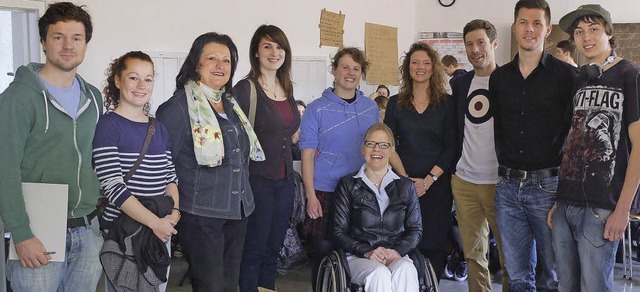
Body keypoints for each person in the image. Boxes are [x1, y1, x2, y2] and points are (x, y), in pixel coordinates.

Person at [0, 2, 104, 291]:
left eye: (77, 38)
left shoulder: (93, 97)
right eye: (58, 37)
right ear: (44, 42)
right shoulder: (18, 98)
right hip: (38, 232)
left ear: (86, 44)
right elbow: (4, 170)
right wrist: (21, 234)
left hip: (88, 228)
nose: (68, 46)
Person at [156, 32, 265, 292]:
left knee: (230, 284)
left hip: (238, 211)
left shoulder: (229, 103)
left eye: (226, 60)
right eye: (212, 58)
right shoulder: (178, 108)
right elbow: (163, 164)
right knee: (210, 286)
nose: (220, 66)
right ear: (196, 64)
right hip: (201, 215)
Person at [548, 5, 640, 291]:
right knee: (566, 287)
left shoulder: (630, 75)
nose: (585, 37)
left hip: (603, 207)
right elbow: (571, 142)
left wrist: (623, 209)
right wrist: (557, 200)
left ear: (608, 33)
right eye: (578, 32)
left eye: (593, 29)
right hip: (566, 204)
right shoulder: (580, 79)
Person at [488, 0, 576, 290]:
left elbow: (573, 135)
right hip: (507, 188)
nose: (530, 29)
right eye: (524, 22)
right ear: (514, 28)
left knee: (551, 277)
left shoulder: (566, 77)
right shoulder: (499, 78)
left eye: (537, 23)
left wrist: (564, 190)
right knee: (514, 275)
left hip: (548, 187)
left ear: (547, 29)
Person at [93, 51, 180, 292]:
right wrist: (155, 223)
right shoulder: (108, 125)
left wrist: (173, 213)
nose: (142, 86)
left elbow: (170, 177)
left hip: (159, 231)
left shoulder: (159, 128)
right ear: (118, 81)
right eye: (133, 78)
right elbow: (113, 186)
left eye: (148, 79)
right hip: (124, 233)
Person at [299, 47, 379, 287]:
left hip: (359, 192)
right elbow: (307, 155)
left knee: (356, 256)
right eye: (345, 66)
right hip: (325, 191)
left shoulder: (370, 108)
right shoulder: (316, 109)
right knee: (324, 254)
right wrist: (310, 196)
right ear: (334, 70)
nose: (350, 72)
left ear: (361, 73)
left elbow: (377, 150)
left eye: (356, 68)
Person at [234, 24, 300, 292]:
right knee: (254, 247)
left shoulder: (286, 89)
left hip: (285, 182)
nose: (275, 52)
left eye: (279, 46)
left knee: (274, 246)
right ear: (256, 52)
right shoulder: (245, 89)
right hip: (257, 180)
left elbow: (288, 131)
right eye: (267, 46)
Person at [384, 41, 455, 280]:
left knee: (433, 243)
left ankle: (431, 283)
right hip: (403, 184)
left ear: (434, 68)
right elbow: (389, 144)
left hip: (437, 185)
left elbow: (451, 146)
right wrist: (405, 179)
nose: (420, 67)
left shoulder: (447, 103)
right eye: (415, 62)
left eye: (426, 62)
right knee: (404, 242)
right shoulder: (395, 103)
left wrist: (428, 180)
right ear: (408, 68)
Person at [450, 19, 508, 291]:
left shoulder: (509, 81)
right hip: (464, 182)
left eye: (481, 42)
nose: (475, 49)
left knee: (510, 256)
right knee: (474, 254)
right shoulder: (461, 84)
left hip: (501, 183)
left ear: (494, 43)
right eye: (470, 44)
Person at [333, 123, 422, 292]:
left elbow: (415, 229)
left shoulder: (405, 187)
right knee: (379, 274)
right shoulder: (348, 184)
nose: (376, 150)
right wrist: (367, 251)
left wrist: (397, 251)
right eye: (370, 144)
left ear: (391, 151)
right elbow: (338, 232)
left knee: (407, 270)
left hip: (395, 254)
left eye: (383, 145)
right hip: (359, 257)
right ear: (363, 149)